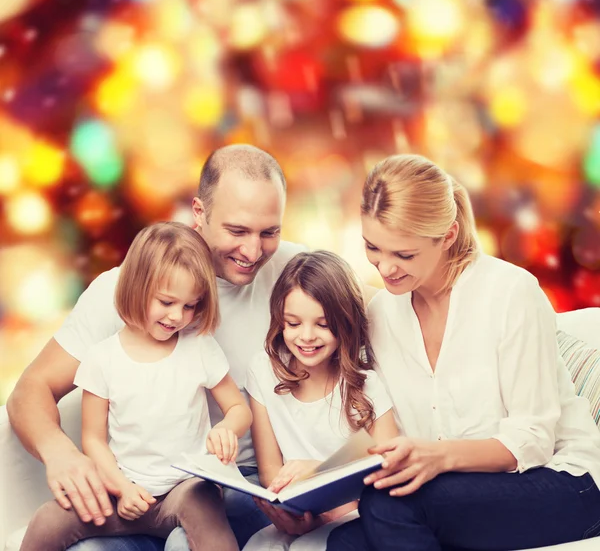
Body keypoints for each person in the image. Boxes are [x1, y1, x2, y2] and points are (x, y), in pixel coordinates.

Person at [7, 144, 305, 551]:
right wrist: (62, 454)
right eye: (237, 231)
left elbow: (371, 309)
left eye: (269, 232)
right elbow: (30, 390)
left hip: (235, 480)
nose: (253, 252)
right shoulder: (125, 290)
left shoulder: (298, 276)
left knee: (189, 535)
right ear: (199, 212)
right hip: (131, 486)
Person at [326, 154, 600, 551]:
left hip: (565, 482)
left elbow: (532, 440)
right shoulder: (382, 314)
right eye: (373, 248)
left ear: (449, 235)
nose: (386, 269)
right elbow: (386, 429)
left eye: (404, 255)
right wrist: (318, 489)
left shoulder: (510, 292)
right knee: (346, 543)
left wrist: (438, 457)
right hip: (462, 491)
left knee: (388, 507)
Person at [20, 222, 251, 551]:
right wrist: (121, 488)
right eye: (167, 302)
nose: (177, 317)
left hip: (186, 490)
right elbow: (94, 441)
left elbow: (239, 409)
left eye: (190, 306)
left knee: (204, 506)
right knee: (48, 521)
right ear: (137, 287)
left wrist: (228, 428)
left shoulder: (199, 346)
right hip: (125, 492)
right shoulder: (103, 359)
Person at [243, 250, 398, 551]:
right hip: (296, 514)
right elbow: (270, 471)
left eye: (323, 324)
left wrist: (319, 478)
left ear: (345, 322)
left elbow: (387, 473)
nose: (306, 337)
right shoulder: (263, 370)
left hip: (355, 517)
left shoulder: (369, 386)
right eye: (293, 323)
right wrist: (290, 509)